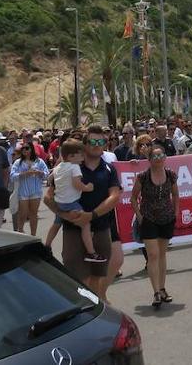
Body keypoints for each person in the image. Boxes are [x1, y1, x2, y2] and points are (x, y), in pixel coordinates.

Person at [45, 125, 121, 300]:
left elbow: (114, 196)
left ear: (105, 144)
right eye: (92, 141)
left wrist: (91, 215)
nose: (96, 144)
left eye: (100, 141)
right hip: (72, 231)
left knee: (97, 278)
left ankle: (96, 312)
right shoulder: (69, 167)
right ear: (84, 144)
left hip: (101, 229)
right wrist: (64, 215)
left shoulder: (109, 169)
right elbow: (48, 198)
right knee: (78, 280)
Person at [130, 143, 180, 307]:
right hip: (148, 218)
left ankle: (163, 288)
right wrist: (139, 215)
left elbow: (175, 194)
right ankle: (156, 292)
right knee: (153, 255)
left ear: (165, 158)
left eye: (161, 156)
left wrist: (176, 212)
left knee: (162, 254)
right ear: (149, 159)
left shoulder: (171, 175)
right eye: (154, 156)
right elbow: (133, 198)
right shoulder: (142, 177)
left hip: (166, 217)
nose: (158, 159)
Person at [42, 139, 104, 263]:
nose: (83, 156)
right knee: (86, 224)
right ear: (71, 156)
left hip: (60, 202)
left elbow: (50, 178)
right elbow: (77, 184)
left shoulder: (58, 166)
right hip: (71, 203)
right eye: (80, 154)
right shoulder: (74, 167)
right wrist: (87, 188)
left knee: (56, 224)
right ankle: (91, 252)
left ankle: (47, 246)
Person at [10, 142, 49, 236]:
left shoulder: (39, 161)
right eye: (22, 149)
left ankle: (33, 235)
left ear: (31, 149)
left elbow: (46, 174)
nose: (24, 150)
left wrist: (39, 173)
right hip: (23, 192)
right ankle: (20, 232)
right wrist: (24, 174)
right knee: (22, 214)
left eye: (27, 148)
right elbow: (12, 176)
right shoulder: (18, 162)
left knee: (33, 214)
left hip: (36, 192)